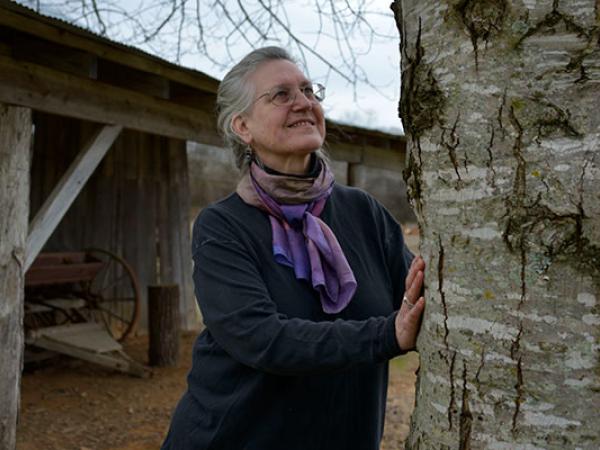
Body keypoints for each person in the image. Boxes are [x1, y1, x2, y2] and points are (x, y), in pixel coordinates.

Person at [161, 46, 426, 450]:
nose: (304, 103)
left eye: (308, 91)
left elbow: (418, 300)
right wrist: (385, 335)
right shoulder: (223, 227)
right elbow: (262, 338)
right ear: (242, 127)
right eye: (281, 95)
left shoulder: (363, 213)